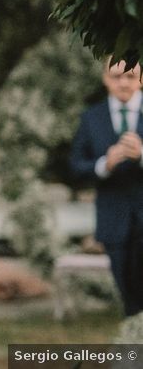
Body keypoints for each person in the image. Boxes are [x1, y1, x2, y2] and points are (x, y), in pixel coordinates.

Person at [71, 58, 143, 317]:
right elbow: (76, 166)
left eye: (130, 76)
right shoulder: (91, 117)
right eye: (116, 76)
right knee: (128, 295)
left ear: (141, 79)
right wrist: (105, 164)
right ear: (105, 79)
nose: (123, 83)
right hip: (114, 221)